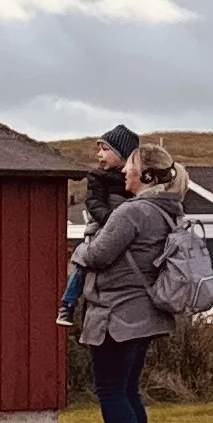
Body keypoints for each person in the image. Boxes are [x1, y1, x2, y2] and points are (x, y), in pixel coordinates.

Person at [68, 140, 184, 423]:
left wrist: (81, 248)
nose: (123, 171)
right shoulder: (166, 210)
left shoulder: (132, 212)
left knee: (111, 391)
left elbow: (99, 255)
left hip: (117, 314)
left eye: (130, 166)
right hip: (145, 312)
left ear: (145, 175)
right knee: (129, 391)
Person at [59, 123, 139, 326]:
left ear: (123, 154)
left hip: (125, 233)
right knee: (82, 264)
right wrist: (111, 220)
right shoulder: (97, 177)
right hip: (99, 230)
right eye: (99, 149)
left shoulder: (133, 179)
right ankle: (68, 303)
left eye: (105, 149)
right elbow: (94, 203)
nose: (99, 154)